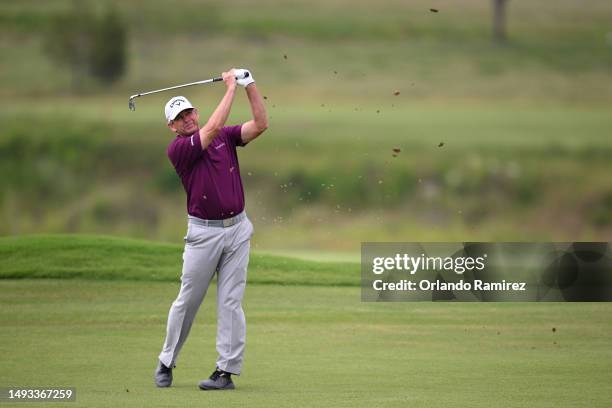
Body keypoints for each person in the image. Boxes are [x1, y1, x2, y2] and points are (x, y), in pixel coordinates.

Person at [154, 68, 268, 391]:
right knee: (188, 300)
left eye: (189, 112)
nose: (187, 118)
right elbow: (213, 125)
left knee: (231, 302)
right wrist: (230, 87)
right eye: (180, 116)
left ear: (196, 112)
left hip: (237, 229)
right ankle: (166, 360)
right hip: (203, 234)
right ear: (172, 126)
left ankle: (225, 372)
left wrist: (249, 85)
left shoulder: (226, 137)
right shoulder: (179, 150)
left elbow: (261, 124)